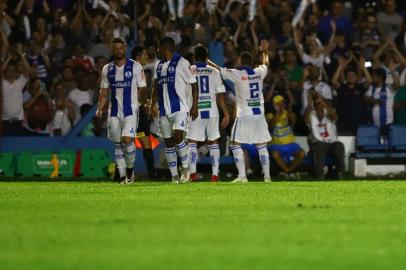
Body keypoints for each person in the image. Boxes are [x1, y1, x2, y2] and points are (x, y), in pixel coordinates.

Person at [208, 40, 272, 183]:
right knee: (262, 145)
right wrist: (265, 52)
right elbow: (266, 64)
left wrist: (205, 60)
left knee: (235, 144)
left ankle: (242, 176)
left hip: (244, 115)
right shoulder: (259, 72)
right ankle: (267, 177)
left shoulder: (237, 73)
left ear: (241, 62)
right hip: (259, 115)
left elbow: (218, 69)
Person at [96, 37, 147, 184]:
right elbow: (104, 91)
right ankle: (124, 177)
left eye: (121, 48)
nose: (118, 51)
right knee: (118, 144)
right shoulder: (107, 69)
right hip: (113, 112)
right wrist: (99, 109)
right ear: (112, 50)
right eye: (115, 49)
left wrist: (145, 103)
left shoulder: (136, 67)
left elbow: (142, 88)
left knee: (127, 139)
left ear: (124, 48)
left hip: (131, 110)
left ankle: (130, 171)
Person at [149, 37, 198, 183]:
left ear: (165, 48)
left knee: (178, 137)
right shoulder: (158, 65)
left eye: (158, 48)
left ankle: (185, 169)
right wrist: (153, 104)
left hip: (180, 109)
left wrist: (194, 105)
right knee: (168, 142)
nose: (157, 50)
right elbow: (156, 87)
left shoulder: (182, 63)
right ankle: (174, 176)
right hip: (164, 111)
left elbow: (194, 85)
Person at [187, 45, 230, 182]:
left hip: (195, 111)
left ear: (194, 57)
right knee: (214, 142)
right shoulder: (214, 72)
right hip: (212, 111)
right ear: (206, 57)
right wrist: (226, 113)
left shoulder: (190, 70)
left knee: (192, 142)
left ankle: (193, 174)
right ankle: (215, 175)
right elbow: (220, 94)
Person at [305, 93, 345, 179]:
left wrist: (324, 104)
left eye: (321, 105)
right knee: (319, 145)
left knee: (339, 145)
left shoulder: (329, 112)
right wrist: (309, 104)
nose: (319, 107)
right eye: (317, 105)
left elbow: (334, 117)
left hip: (331, 144)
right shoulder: (312, 114)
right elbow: (305, 119)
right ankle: (320, 174)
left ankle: (340, 172)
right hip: (317, 143)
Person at [131, 45, 156, 180]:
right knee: (145, 143)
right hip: (136, 112)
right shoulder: (137, 68)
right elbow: (141, 91)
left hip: (131, 111)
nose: (147, 56)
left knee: (127, 142)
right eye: (145, 54)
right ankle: (152, 175)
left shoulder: (129, 68)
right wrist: (148, 103)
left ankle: (121, 175)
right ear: (138, 57)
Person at [267, 95, 305, 179]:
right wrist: (277, 112)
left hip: (290, 144)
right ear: (274, 105)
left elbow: (293, 121)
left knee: (302, 153)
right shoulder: (270, 115)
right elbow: (271, 125)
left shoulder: (288, 113)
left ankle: (288, 171)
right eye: (278, 104)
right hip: (276, 145)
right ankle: (288, 172)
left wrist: (289, 110)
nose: (281, 105)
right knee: (275, 154)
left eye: (282, 103)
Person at [332, 56, 371, 134]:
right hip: (343, 123)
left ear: (356, 77)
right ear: (346, 77)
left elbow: (369, 81)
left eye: (353, 75)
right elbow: (333, 81)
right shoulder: (342, 88)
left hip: (358, 122)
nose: (351, 77)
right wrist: (340, 67)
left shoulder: (360, 87)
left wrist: (363, 67)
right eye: (349, 75)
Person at [364, 67, 400, 135]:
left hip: (388, 123)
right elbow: (366, 97)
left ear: (380, 77)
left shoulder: (388, 87)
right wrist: (374, 101)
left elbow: (397, 85)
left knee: (389, 142)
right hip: (374, 123)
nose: (372, 77)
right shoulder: (372, 88)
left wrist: (393, 73)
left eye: (373, 76)